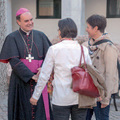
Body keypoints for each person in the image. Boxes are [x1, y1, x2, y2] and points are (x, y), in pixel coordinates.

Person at [30, 18, 92, 120]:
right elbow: (90, 72)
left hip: (61, 97)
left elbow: (44, 75)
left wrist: (35, 96)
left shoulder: (54, 49)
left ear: (61, 31)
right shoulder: (83, 49)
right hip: (80, 97)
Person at [0, 8, 53, 120]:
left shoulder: (41, 36)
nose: (30, 23)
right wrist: (30, 76)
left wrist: (43, 69)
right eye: (26, 21)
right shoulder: (12, 37)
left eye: (31, 20)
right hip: (20, 81)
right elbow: (13, 60)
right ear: (18, 22)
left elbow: (50, 57)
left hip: (39, 80)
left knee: (40, 111)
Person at [86, 14, 119, 120]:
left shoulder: (109, 47)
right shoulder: (88, 45)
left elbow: (110, 75)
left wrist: (106, 98)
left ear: (95, 29)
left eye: (88, 27)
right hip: (87, 93)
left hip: (101, 95)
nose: (86, 29)